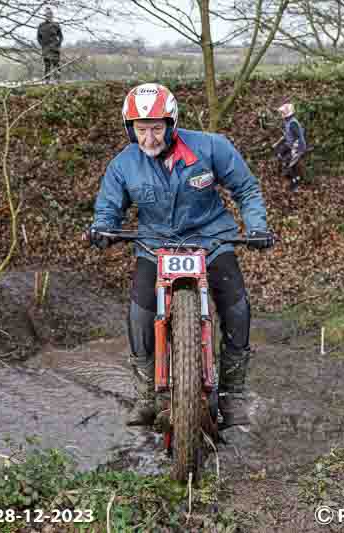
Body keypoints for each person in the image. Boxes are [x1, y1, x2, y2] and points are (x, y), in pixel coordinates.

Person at [86, 83, 276, 428]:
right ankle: (146, 396)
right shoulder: (123, 165)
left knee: (236, 306)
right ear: (131, 130)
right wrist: (102, 227)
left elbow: (246, 188)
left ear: (171, 124)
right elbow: (109, 205)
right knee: (140, 313)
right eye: (141, 130)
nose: (149, 139)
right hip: (153, 243)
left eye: (156, 129)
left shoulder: (212, 147)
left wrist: (257, 226)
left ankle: (233, 394)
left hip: (212, 237)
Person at [273, 102, 307, 192]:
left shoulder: (293, 123)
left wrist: (294, 150)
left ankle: (295, 184)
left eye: (283, 113)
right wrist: (278, 143)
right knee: (279, 154)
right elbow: (286, 135)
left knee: (291, 164)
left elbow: (299, 137)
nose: (281, 115)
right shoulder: (287, 122)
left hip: (298, 147)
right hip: (290, 144)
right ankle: (282, 175)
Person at [37, 7, 63, 82]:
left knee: (56, 64)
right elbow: (38, 37)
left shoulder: (56, 25)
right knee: (47, 65)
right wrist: (42, 45)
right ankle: (47, 81)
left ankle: (57, 80)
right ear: (45, 16)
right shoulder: (41, 25)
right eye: (47, 14)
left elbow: (61, 37)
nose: (48, 16)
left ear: (52, 15)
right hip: (45, 48)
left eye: (50, 14)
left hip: (55, 48)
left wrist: (58, 44)